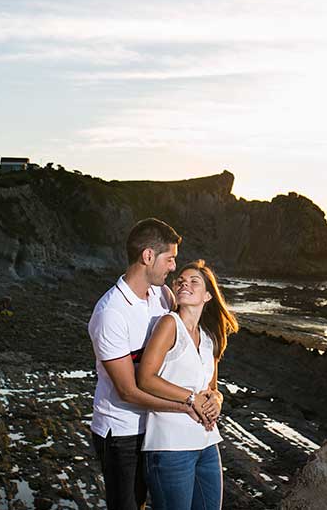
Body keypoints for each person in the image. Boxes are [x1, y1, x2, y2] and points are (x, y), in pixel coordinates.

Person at [88, 218, 217, 509]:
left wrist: (211, 394)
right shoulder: (111, 313)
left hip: (158, 428)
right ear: (148, 256)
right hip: (122, 431)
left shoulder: (163, 295)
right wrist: (187, 405)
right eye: (169, 259)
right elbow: (128, 391)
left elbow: (182, 348)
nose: (174, 267)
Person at [136, 260, 240, 510]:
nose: (185, 284)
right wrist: (191, 398)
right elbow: (145, 378)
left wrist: (217, 400)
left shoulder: (209, 337)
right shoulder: (169, 324)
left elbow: (213, 387)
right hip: (170, 446)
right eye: (181, 281)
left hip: (206, 442)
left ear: (207, 296)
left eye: (194, 282)